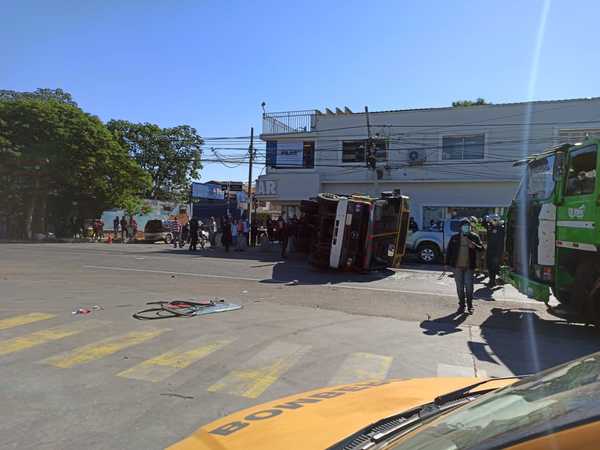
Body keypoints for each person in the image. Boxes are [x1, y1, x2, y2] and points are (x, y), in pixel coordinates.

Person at [446, 219, 484, 314]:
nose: (466, 227)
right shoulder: (455, 237)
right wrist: (446, 264)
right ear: (460, 227)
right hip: (457, 266)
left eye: (468, 226)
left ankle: (470, 305)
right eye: (464, 226)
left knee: (469, 287)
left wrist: (474, 245)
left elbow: (481, 249)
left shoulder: (474, 237)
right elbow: (449, 251)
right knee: (459, 287)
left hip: (469, 267)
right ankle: (462, 305)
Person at [486, 219, 505, 287]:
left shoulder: (500, 229)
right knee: (490, 266)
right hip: (490, 251)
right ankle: (492, 280)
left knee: (493, 267)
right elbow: (488, 236)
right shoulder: (491, 228)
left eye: (494, 221)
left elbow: (500, 242)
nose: (492, 222)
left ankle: (492, 281)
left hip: (496, 252)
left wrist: (499, 253)